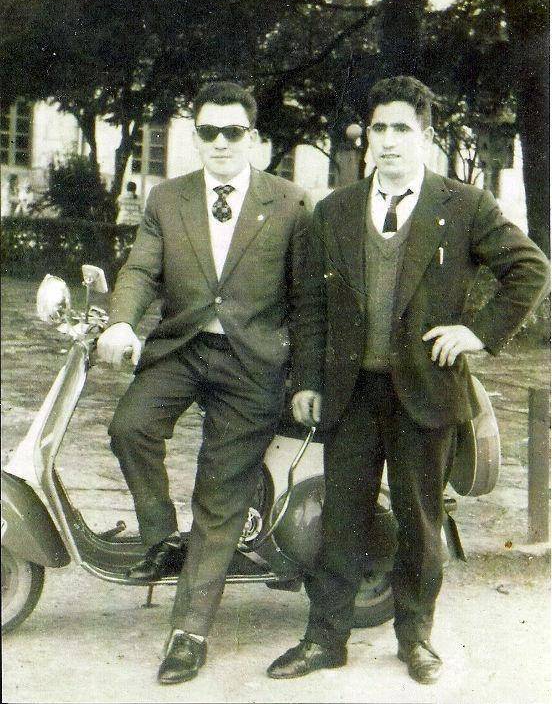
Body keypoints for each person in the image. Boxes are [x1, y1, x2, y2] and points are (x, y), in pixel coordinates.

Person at [267, 76, 549, 685]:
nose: (389, 141)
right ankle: (325, 639)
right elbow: (311, 306)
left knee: (421, 520)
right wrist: (307, 380)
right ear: (366, 136)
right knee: (342, 516)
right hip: (350, 393)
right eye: (380, 129)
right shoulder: (334, 210)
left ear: (425, 136)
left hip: (427, 391)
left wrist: (477, 332)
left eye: (402, 129)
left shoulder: (464, 205)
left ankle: (415, 637)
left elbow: (530, 269)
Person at [97, 81, 316, 684]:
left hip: (252, 363)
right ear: (195, 137)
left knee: (220, 494)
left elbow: (307, 300)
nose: (221, 142)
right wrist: (121, 323)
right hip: (183, 348)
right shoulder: (168, 199)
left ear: (254, 138)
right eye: (208, 131)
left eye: (233, 131)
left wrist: (303, 374)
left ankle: (188, 634)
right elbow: (142, 270)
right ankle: (164, 540)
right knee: (130, 427)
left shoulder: (290, 203)